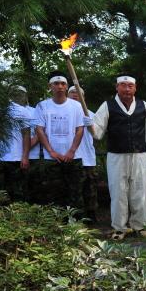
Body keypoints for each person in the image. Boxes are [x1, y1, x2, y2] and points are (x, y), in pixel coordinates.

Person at [93, 74, 146, 240]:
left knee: (139, 190)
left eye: (130, 86)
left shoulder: (143, 105)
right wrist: (90, 124)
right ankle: (120, 228)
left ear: (135, 88)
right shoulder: (107, 106)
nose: (127, 89)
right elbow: (97, 133)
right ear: (117, 88)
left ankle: (138, 226)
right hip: (116, 156)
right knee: (118, 191)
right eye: (123, 85)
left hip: (138, 155)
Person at [34, 71, 86, 212]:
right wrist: (51, 151)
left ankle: (76, 225)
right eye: (56, 84)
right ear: (50, 86)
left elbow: (80, 129)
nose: (60, 86)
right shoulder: (42, 106)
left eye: (63, 83)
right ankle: (56, 225)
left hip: (73, 157)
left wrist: (71, 151)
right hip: (51, 158)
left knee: (75, 192)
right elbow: (40, 130)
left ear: (66, 86)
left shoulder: (76, 106)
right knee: (53, 193)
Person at [0, 85, 32, 201]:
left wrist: (25, 156)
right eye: (15, 93)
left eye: (21, 93)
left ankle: (17, 218)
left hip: (15, 158)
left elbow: (26, 134)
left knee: (16, 193)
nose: (18, 96)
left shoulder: (23, 111)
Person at [68, 86, 98, 222]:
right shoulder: (65, 112)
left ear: (83, 97)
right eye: (72, 92)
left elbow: (98, 135)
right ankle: (75, 217)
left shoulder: (90, 114)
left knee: (90, 189)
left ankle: (91, 216)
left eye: (79, 93)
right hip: (71, 156)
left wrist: (92, 125)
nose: (75, 95)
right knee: (73, 189)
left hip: (88, 157)